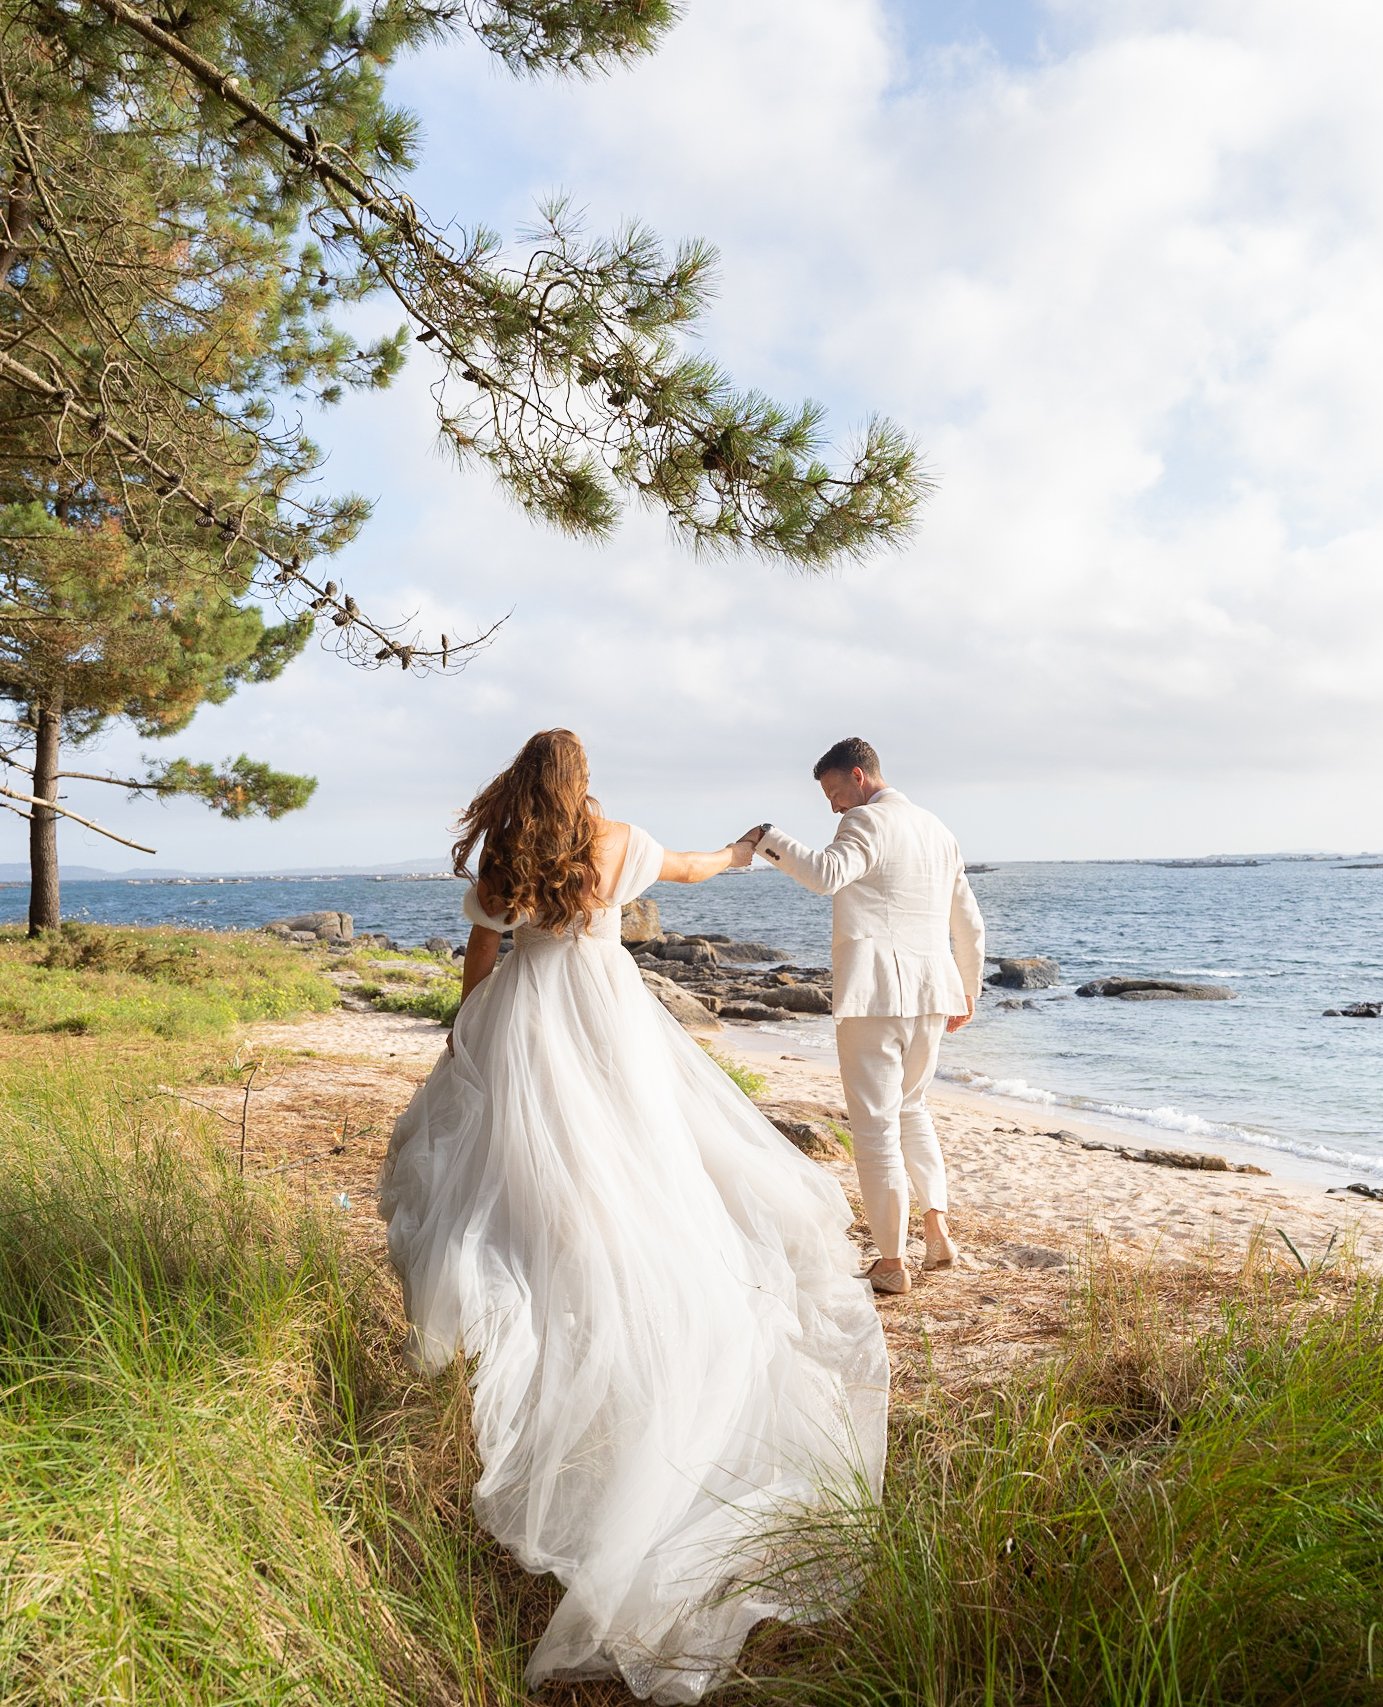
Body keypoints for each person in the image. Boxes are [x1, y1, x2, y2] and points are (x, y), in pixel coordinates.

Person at [377, 729, 889, 1704]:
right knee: (640, 1164)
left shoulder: (506, 857)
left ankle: (549, 1291)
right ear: (580, 782)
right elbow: (691, 867)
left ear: (521, 785)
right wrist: (744, 851)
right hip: (611, 1019)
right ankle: (629, 1296)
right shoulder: (615, 842)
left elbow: (480, 959)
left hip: (528, 1021)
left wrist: (468, 1039)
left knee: (528, 1171)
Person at [740, 737, 985, 1295]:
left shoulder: (868, 822)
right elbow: (969, 923)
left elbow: (825, 874)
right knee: (913, 1110)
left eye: (833, 791)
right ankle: (938, 1232)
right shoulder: (938, 830)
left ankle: (892, 1262)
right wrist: (967, 990)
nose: (833, 806)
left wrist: (766, 837)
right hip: (932, 994)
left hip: (877, 997)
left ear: (859, 775)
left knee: (875, 1129)